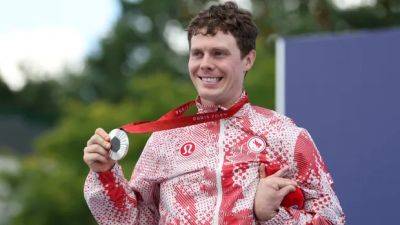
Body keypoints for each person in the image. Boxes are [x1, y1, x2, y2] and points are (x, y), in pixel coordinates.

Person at [83, 1, 345, 224]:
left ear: (248, 59)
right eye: (197, 54)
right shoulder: (165, 140)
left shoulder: (285, 136)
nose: (205, 64)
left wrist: (269, 216)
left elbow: (333, 218)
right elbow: (132, 220)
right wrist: (105, 173)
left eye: (218, 53)